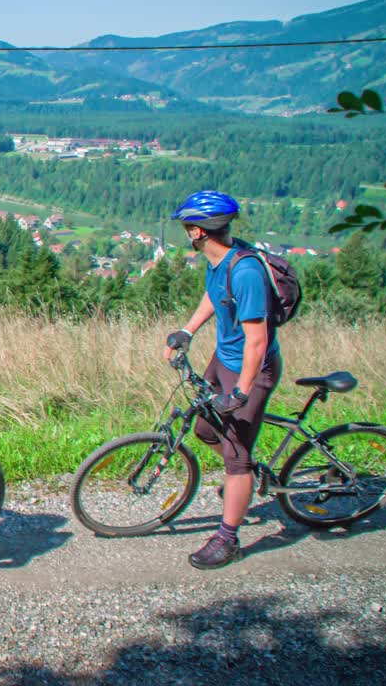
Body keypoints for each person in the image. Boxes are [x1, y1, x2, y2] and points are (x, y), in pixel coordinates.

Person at [163, 191, 282, 570]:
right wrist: (188, 330)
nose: (186, 234)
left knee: (235, 457)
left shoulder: (245, 270)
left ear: (198, 232)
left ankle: (228, 538)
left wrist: (241, 392)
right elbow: (214, 296)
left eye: (187, 229)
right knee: (204, 429)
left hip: (250, 370)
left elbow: (258, 341)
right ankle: (247, 468)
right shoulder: (221, 261)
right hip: (223, 361)